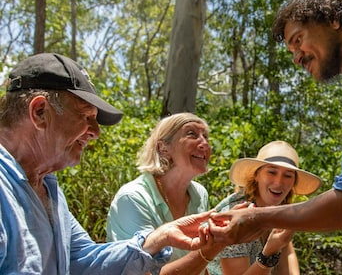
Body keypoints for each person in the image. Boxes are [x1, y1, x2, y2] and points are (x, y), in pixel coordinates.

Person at [209, 0, 342, 274]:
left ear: (333, 19)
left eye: (298, 40)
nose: (296, 57)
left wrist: (255, 219)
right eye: (290, 50)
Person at [0, 52, 214, 275]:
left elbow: (83, 259)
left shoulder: (48, 189)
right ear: (40, 112)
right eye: (86, 117)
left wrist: (159, 237)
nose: (96, 132)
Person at [106, 112, 226, 275]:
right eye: (192, 134)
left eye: (206, 136)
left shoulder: (199, 194)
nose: (204, 143)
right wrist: (213, 248)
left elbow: (198, 266)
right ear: (163, 148)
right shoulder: (133, 198)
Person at [208, 141, 322, 275]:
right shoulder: (236, 215)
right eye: (272, 172)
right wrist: (269, 253)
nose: (279, 182)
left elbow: (286, 251)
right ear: (256, 175)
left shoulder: (281, 209)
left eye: (288, 175)